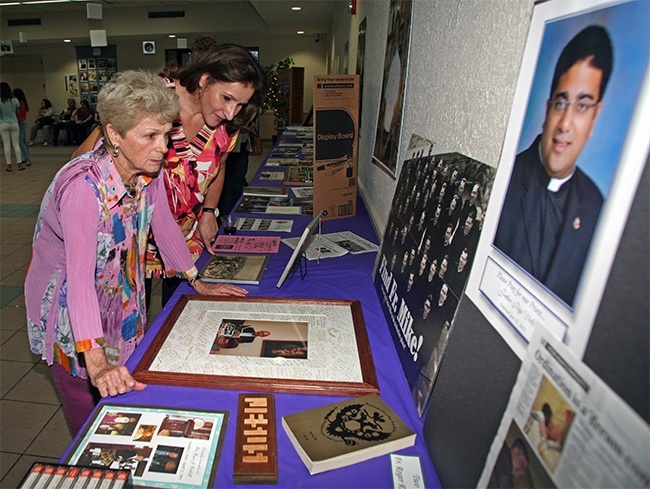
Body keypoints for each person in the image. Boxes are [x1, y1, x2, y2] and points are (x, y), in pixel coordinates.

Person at [24, 70, 248, 436]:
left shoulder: (149, 169)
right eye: (150, 136)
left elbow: (164, 228)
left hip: (120, 294)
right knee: (90, 418)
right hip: (71, 309)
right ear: (114, 134)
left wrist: (198, 280)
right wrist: (95, 364)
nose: (164, 147)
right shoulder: (84, 188)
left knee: (127, 402)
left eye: (165, 134)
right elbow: (80, 281)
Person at [77, 39, 266, 308]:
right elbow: (84, 159)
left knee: (178, 306)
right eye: (226, 98)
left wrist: (210, 211)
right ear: (204, 80)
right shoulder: (154, 97)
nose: (230, 111)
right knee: (120, 310)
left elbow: (219, 165)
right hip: (131, 230)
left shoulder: (229, 123)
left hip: (183, 234)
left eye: (239, 104)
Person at [493, 25, 612, 306]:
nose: (566, 124)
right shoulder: (505, 181)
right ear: (547, 110)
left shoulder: (596, 206)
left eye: (582, 106)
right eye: (561, 103)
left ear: (595, 117)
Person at [0, 82, 23, 171]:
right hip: (14, 123)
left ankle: (9, 165)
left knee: (6, 145)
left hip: (3, 123)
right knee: (16, 144)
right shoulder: (14, 100)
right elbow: (18, 113)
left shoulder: (0, 100)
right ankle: (19, 163)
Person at [13, 88, 31, 167]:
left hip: (19, 122)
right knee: (23, 140)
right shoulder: (23, 102)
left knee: (20, 141)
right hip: (23, 121)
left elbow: (18, 114)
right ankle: (26, 156)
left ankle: (27, 158)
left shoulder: (18, 103)